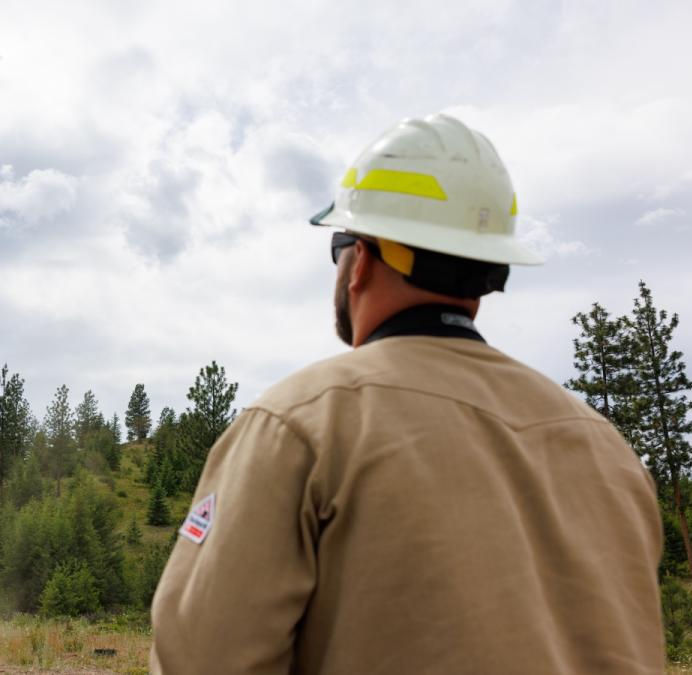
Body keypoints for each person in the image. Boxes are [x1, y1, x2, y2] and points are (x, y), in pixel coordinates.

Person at [149, 113, 663, 673]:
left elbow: (203, 659)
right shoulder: (607, 450)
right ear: (486, 272)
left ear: (361, 260)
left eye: (337, 246)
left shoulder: (299, 423)